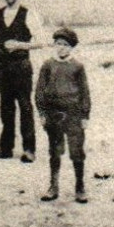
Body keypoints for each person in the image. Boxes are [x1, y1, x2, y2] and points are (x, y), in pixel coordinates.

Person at [35, 26, 91, 203]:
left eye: (65, 45)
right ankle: (53, 186)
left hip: (74, 115)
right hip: (54, 115)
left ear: (71, 47)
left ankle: (80, 187)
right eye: (58, 44)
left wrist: (85, 115)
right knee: (55, 151)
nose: (61, 48)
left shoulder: (77, 67)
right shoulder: (48, 65)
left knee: (77, 151)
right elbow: (39, 91)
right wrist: (42, 112)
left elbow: (85, 93)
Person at [0, 0, 38, 163]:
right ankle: (5, 148)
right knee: (6, 106)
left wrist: (19, 45)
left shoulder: (28, 14)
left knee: (25, 105)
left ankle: (29, 149)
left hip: (21, 65)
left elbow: (40, 41)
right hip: (2, 66)